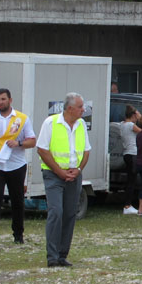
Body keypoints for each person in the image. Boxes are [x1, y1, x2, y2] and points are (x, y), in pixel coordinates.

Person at [36, 93, 91, 268]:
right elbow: (42, 150)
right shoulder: (50, 123)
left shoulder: (81, 124)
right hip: (53, 175)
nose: (84, 110)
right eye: (80, 107)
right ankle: (52, 256)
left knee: (69, 214)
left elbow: (86, 151)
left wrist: (79, 169)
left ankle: (62, 255)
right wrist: (59, 172)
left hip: (74, 175)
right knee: (56, 211)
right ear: (70, 109)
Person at [0, 88, 36, 247]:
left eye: (3, 99)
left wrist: (18, 143)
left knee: (17, 201)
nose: (0, 102)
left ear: (10, 100)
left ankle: (18, 235)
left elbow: (32, 141)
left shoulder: (22, 119)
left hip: (16, 165)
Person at [120, 105, 141, 215]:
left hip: (126, 153)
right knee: (132, 181)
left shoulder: (122, 125)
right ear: (133, 115)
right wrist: (140, 117)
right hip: (133, 153)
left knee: (130, 180)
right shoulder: (131, 125)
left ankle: (128, 204)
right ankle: (127, 205)